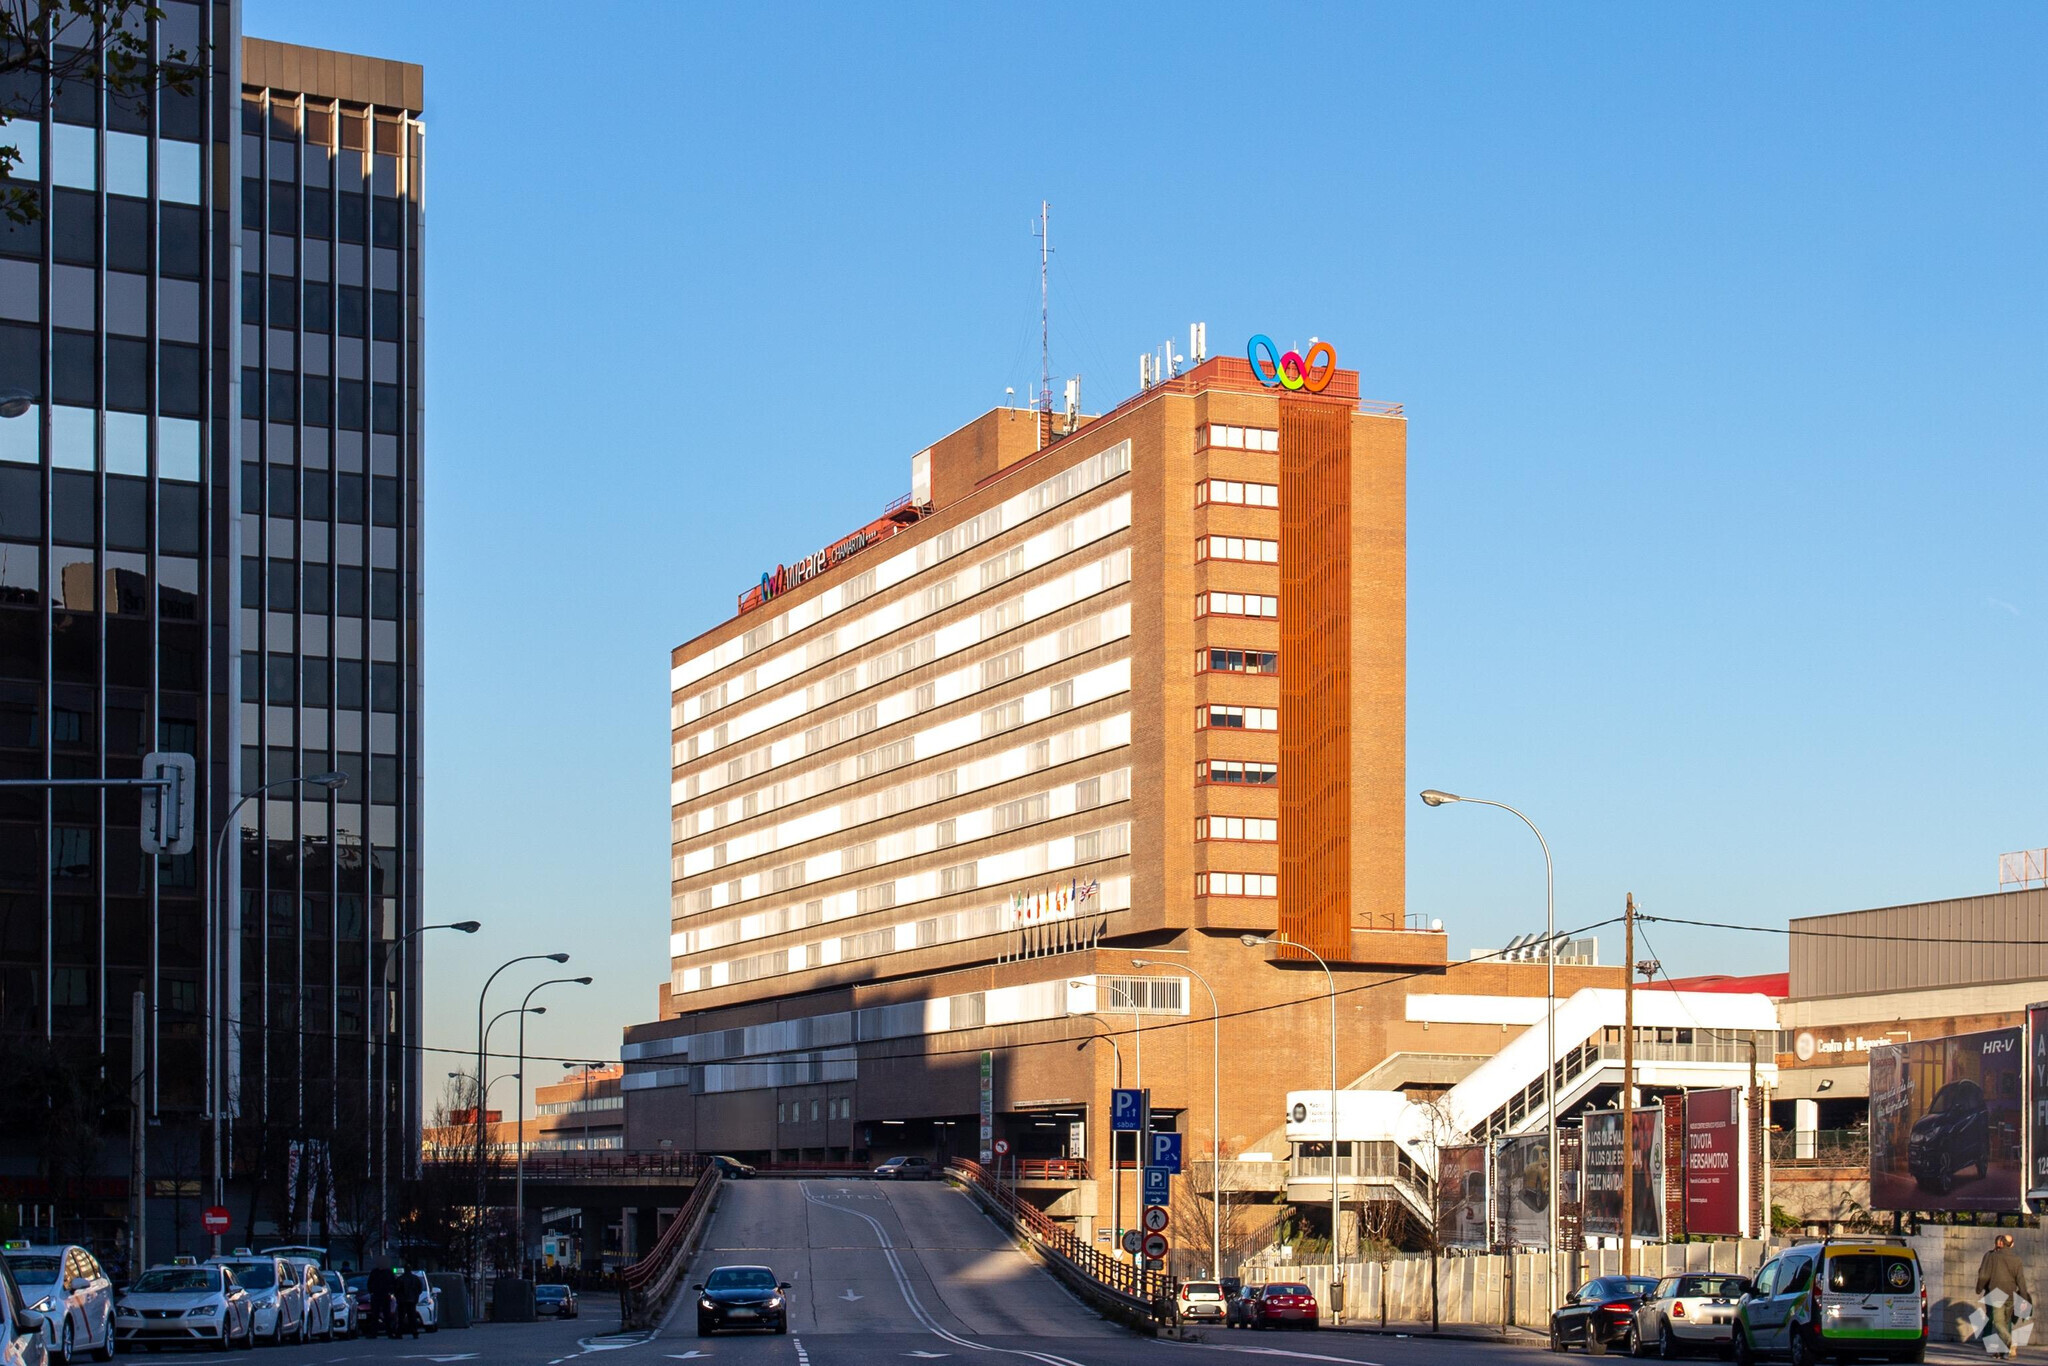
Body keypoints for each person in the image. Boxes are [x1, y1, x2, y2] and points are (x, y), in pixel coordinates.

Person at [1978, 1234, 2033, 1357]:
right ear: (2012, 1245)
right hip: (2010, 1294)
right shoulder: (2017, 1259)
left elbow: (1983, 1275)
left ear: (2001, 1243)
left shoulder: (1993, 1257)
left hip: (1997, 1293)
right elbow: (2020, 1280)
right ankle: (2004, 1351)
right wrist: (2024, 1298)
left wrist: (1979, 1288)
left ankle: (2010, 1343)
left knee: (1998, 1323)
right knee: (2005, 1323)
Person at [365, 1263, 397, 1337]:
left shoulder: (387, 1272)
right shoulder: (376, 1272)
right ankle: (374, 1332)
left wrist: (390, 1292)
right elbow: (369, 1283)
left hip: (385, 1295)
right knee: (375, 1315)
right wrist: (372, 1292)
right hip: (377, 1295)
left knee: (386, 1315)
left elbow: (394, 1283)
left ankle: (388, 1332)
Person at [395, 1265, 427, 1337]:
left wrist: (398, 1297)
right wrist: (415, 1296)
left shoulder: (400, 1279)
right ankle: (414, 1332)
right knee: (412, 1317)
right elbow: (420, 1289)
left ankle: (399, 1333)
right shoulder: (415, 1279)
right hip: (412, 1301)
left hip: (402, 1301)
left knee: (401, 1318)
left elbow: (396, 1290)